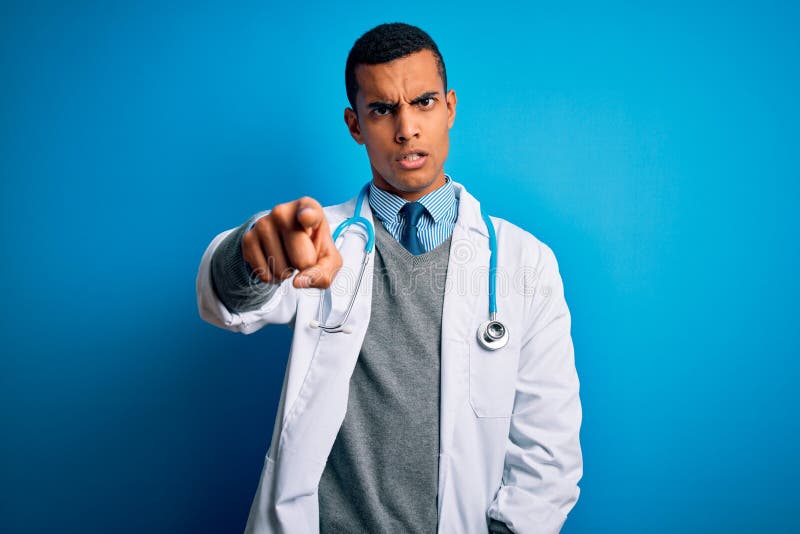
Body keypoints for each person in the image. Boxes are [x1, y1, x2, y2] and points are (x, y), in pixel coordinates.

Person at [196, 22, 582, 534]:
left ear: (450, 108)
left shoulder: (525, 262)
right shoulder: (318, 241)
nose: (406, 128)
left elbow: (548, 453)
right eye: (382, 110)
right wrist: (251, 250)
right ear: (355, 125)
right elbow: (230, 304)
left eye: (423, 103)